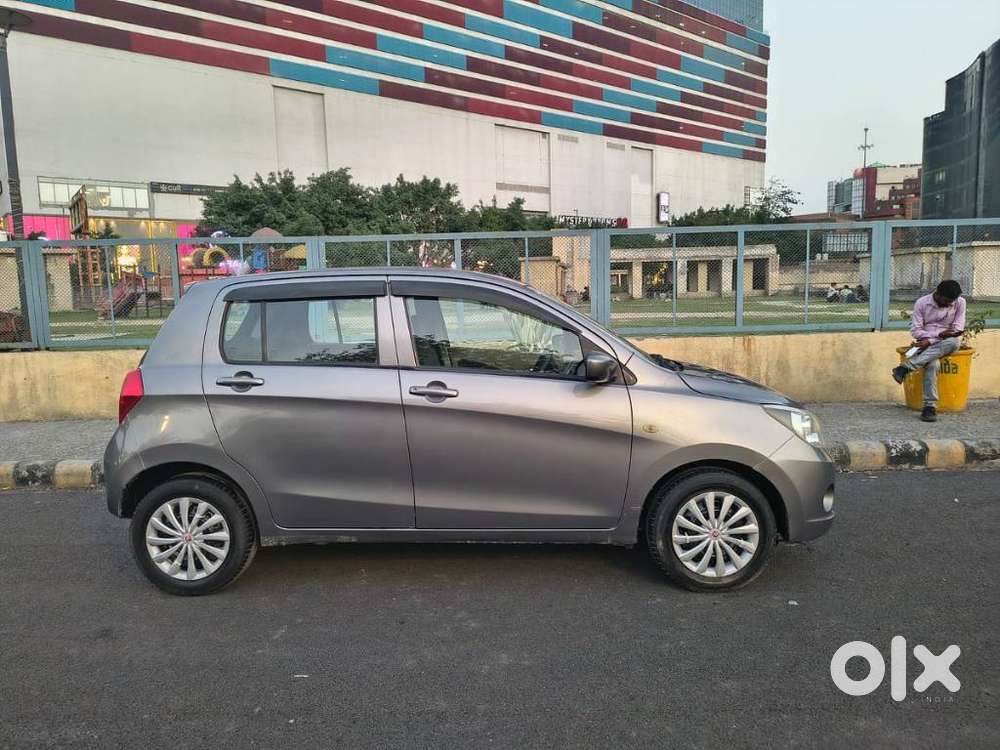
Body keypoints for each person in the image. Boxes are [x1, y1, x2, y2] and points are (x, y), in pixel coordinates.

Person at [891, 279, 966, 422]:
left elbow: (957, 330)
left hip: (944, 344)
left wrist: (931, 340)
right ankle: (929, 407)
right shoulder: (922, 303)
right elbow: (916, 331)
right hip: (923, 345)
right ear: (938, 294)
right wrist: (936, 336)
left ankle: (905, 368)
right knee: (932, 365)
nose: (951, 304)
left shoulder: (960, 302)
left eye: (953, 301)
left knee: (954, 342)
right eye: (948, 300)